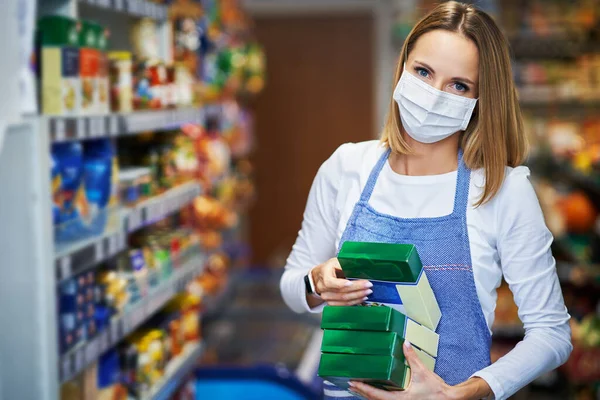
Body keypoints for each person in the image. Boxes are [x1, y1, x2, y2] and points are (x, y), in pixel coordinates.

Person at [279, 2, 573, 400]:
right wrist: (316, 282)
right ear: (401, 68)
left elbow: (552, 334)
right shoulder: (346, 166)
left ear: (481, 100)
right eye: (422, 72)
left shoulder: (502, 189)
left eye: (458, 85)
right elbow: (291, 286)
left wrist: (463, 392)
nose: (433, 96)